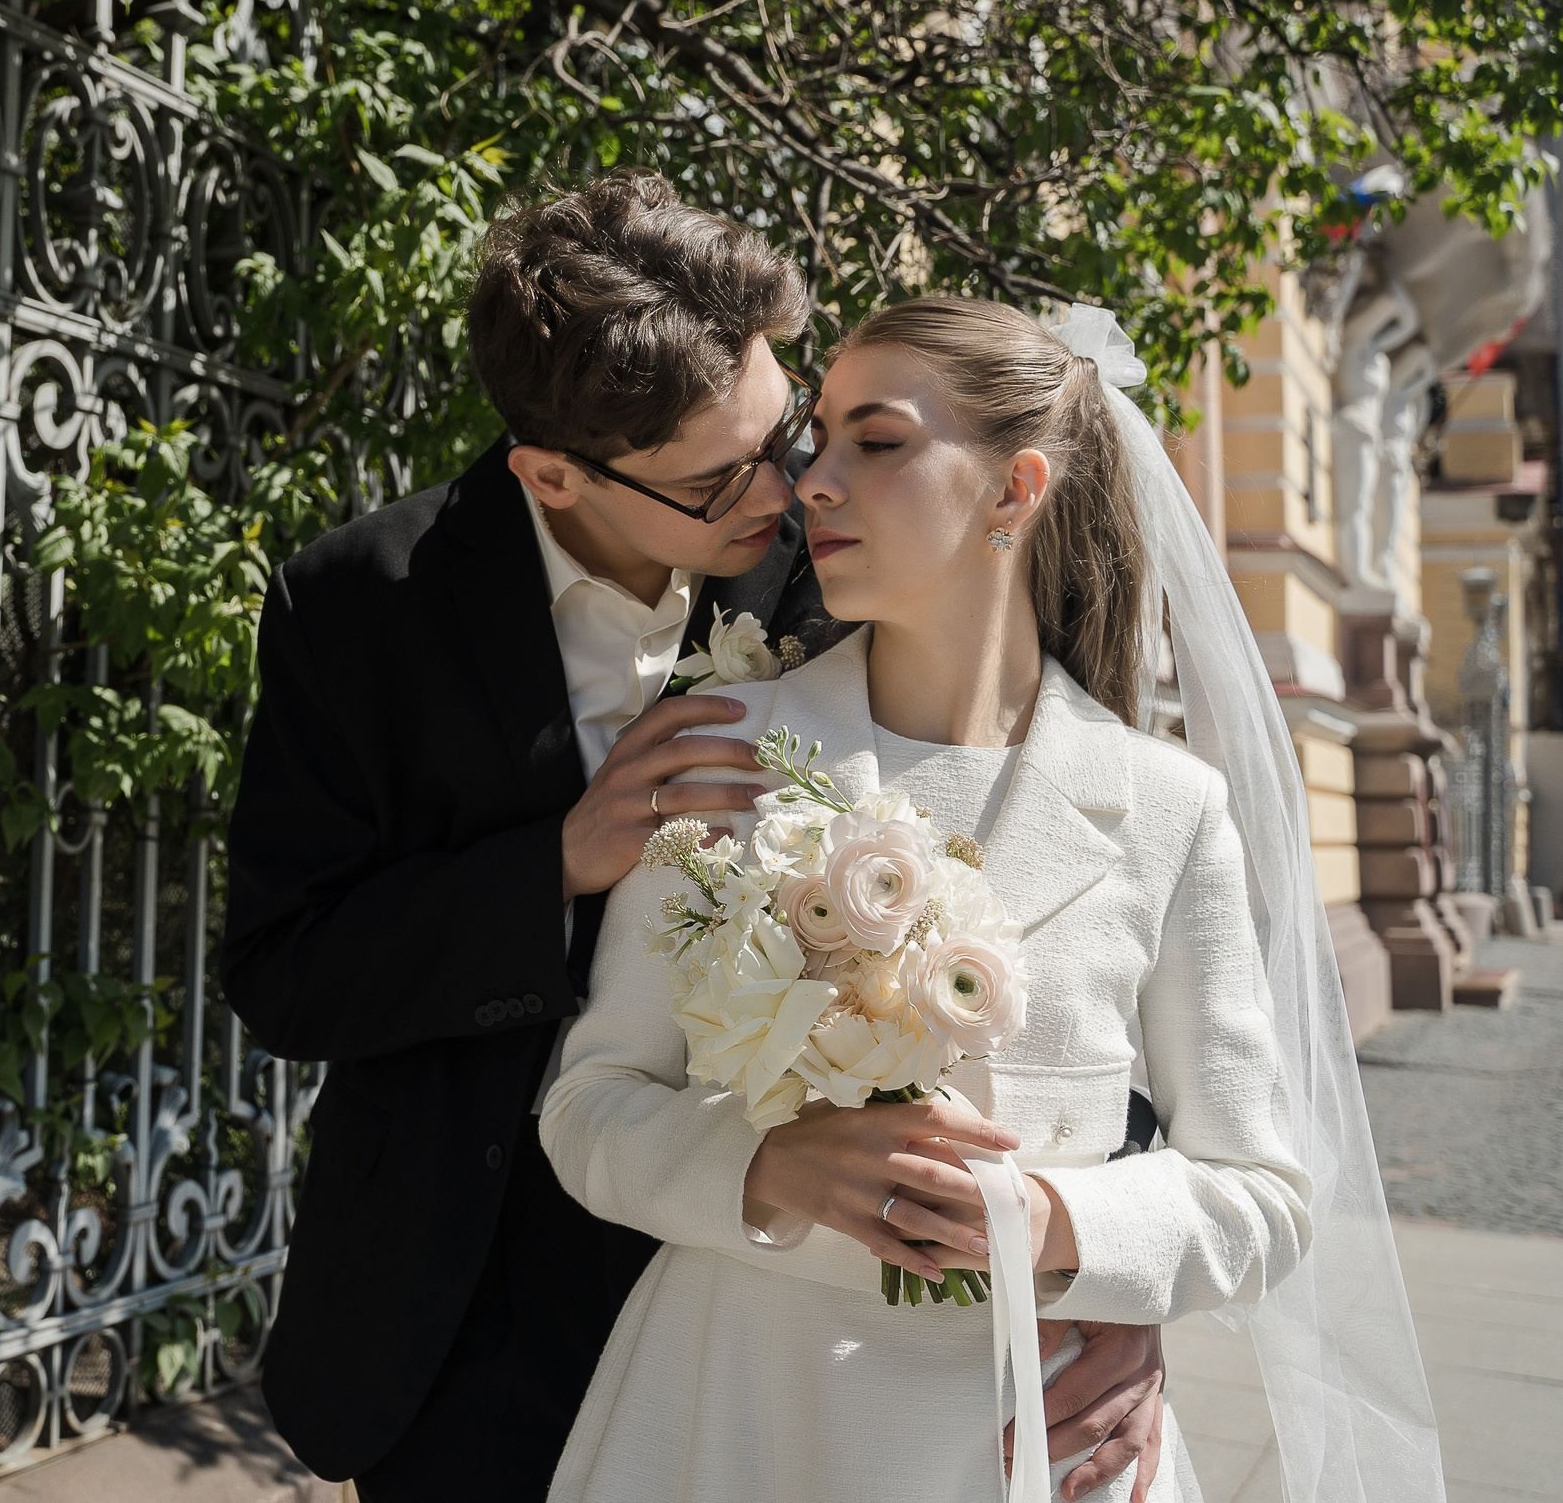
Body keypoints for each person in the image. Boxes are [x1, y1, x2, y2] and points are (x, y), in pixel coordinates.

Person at [223, 175, 1170, 1503]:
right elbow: (285, 971)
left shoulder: (850, 558)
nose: (790, 487)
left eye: (786, 428)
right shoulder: (359, 608)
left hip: (785, 1309)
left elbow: (1054, 881)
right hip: (470, 1303)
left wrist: (1108, 1260)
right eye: (722, 475)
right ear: (552, 474)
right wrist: (554, 864)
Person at [539, 298, 1443, 1501]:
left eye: (877, 441)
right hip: (743, 1413)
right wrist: (768, 1168)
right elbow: (588, 1108)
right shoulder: (722, 753)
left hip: (1038, 1436)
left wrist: (1056, 1221)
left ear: (1014, 490)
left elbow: (1261, 1194)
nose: (813, 482)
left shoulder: (1165, 807)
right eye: (817, 439)